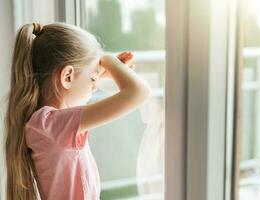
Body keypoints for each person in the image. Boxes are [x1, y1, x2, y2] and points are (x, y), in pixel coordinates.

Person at [4, 22, 151, 200]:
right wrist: (109, 61)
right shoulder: (52, 125)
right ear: (67, 77)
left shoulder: (46, 125)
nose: (94, 86)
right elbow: (139, 92)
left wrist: (99, 70)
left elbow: (84, 84)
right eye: (92, 78)